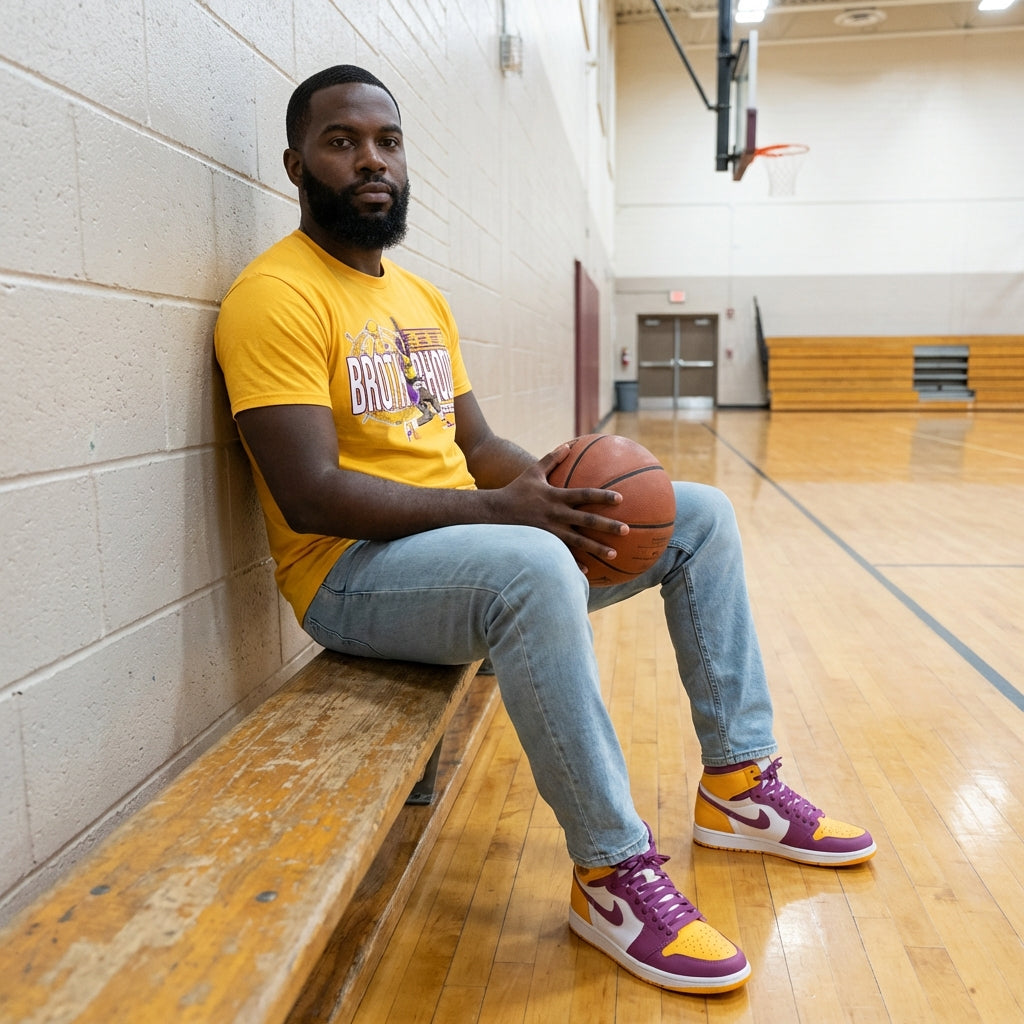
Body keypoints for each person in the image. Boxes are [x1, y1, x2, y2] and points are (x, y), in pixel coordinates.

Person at [214, 64, 876, 996]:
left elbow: (478, 445)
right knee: (529, 564)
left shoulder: (419, 300)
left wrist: (558, 495)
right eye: (342, 142)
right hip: (350, 577)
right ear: (296, 165)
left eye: (387, 142)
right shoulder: (274, 296)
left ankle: (738, 785)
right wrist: (506, 514)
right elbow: (310, 495)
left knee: (697, 515)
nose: (371, 161)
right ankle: (612, 872)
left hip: (460, 553)